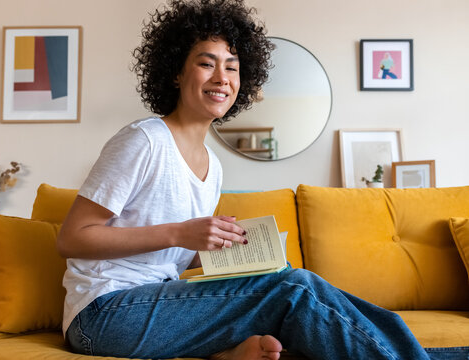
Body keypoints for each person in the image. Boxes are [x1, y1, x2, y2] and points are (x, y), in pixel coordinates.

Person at [57, 1, 468, 359]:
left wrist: (224, 249)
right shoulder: (143, 140)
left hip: (155, 304)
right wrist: (181, 232)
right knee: (295, 289)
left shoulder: (211, 165)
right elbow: (72, 238)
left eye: (232, 67)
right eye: (206, 63)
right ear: (175, 74)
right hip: (103, 314)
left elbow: (176, 258)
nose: (222, 77)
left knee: (291, 278)